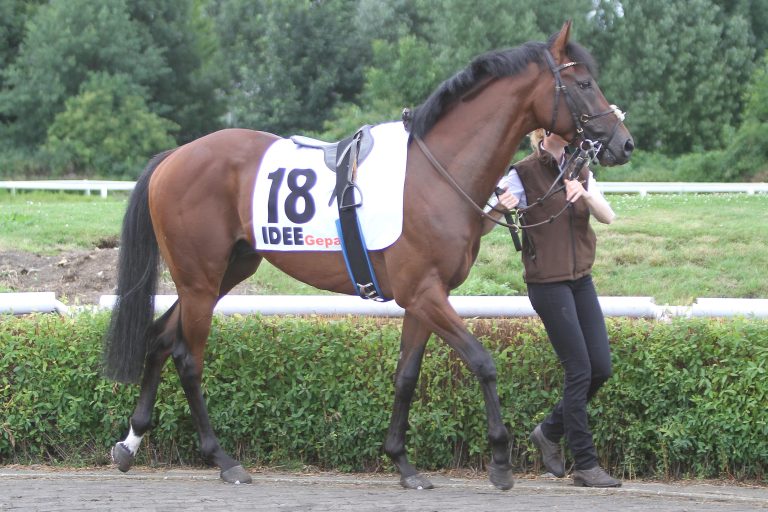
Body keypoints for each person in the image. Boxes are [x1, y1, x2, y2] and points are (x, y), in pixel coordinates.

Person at [483, 128, 621, 488]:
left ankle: (548, 432)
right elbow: (482, 224)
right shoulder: (522, 172)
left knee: (600, 369)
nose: (571, 128)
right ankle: (586, 465)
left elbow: (608, 216)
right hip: (547, 284)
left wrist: (585, 195)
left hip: (581, 280)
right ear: (544, 131)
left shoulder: (580, 167)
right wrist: (500, 206)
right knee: (579, 370)